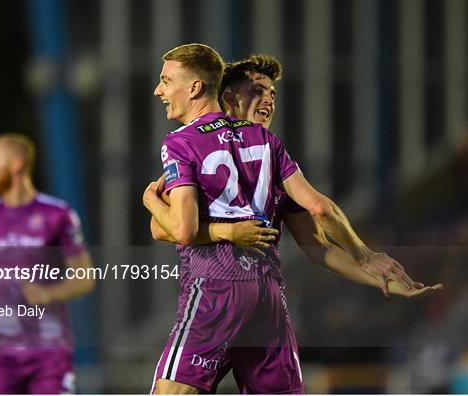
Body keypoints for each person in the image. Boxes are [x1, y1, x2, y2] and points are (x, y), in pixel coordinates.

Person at [143, 44, 440, 394]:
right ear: (228, 98)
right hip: (266, 298)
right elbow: (319, 218)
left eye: (272, 92)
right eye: (257, 91)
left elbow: (175, 228)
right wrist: (367, 258)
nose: (268, 100)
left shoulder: (190, 143)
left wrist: (150, 199)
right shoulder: (269, 147)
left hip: (216, 289)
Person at [0, 133, 95, 394]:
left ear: (17, 164)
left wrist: (49, 293)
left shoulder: (57, 214)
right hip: (1, 353)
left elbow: (85, 278)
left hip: (50, 352)